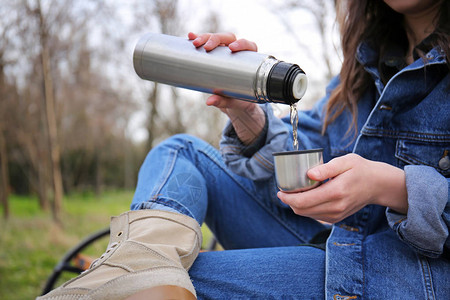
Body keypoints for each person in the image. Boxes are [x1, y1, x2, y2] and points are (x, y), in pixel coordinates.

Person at [39, 0, 449, 299]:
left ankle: (125, 277)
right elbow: (308, 151)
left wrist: (393, 187)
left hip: (403, 274)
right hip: (330, 240)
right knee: (180, 151)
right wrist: (250, 117)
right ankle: (137, 264)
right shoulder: (362, 70)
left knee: (167, 284)